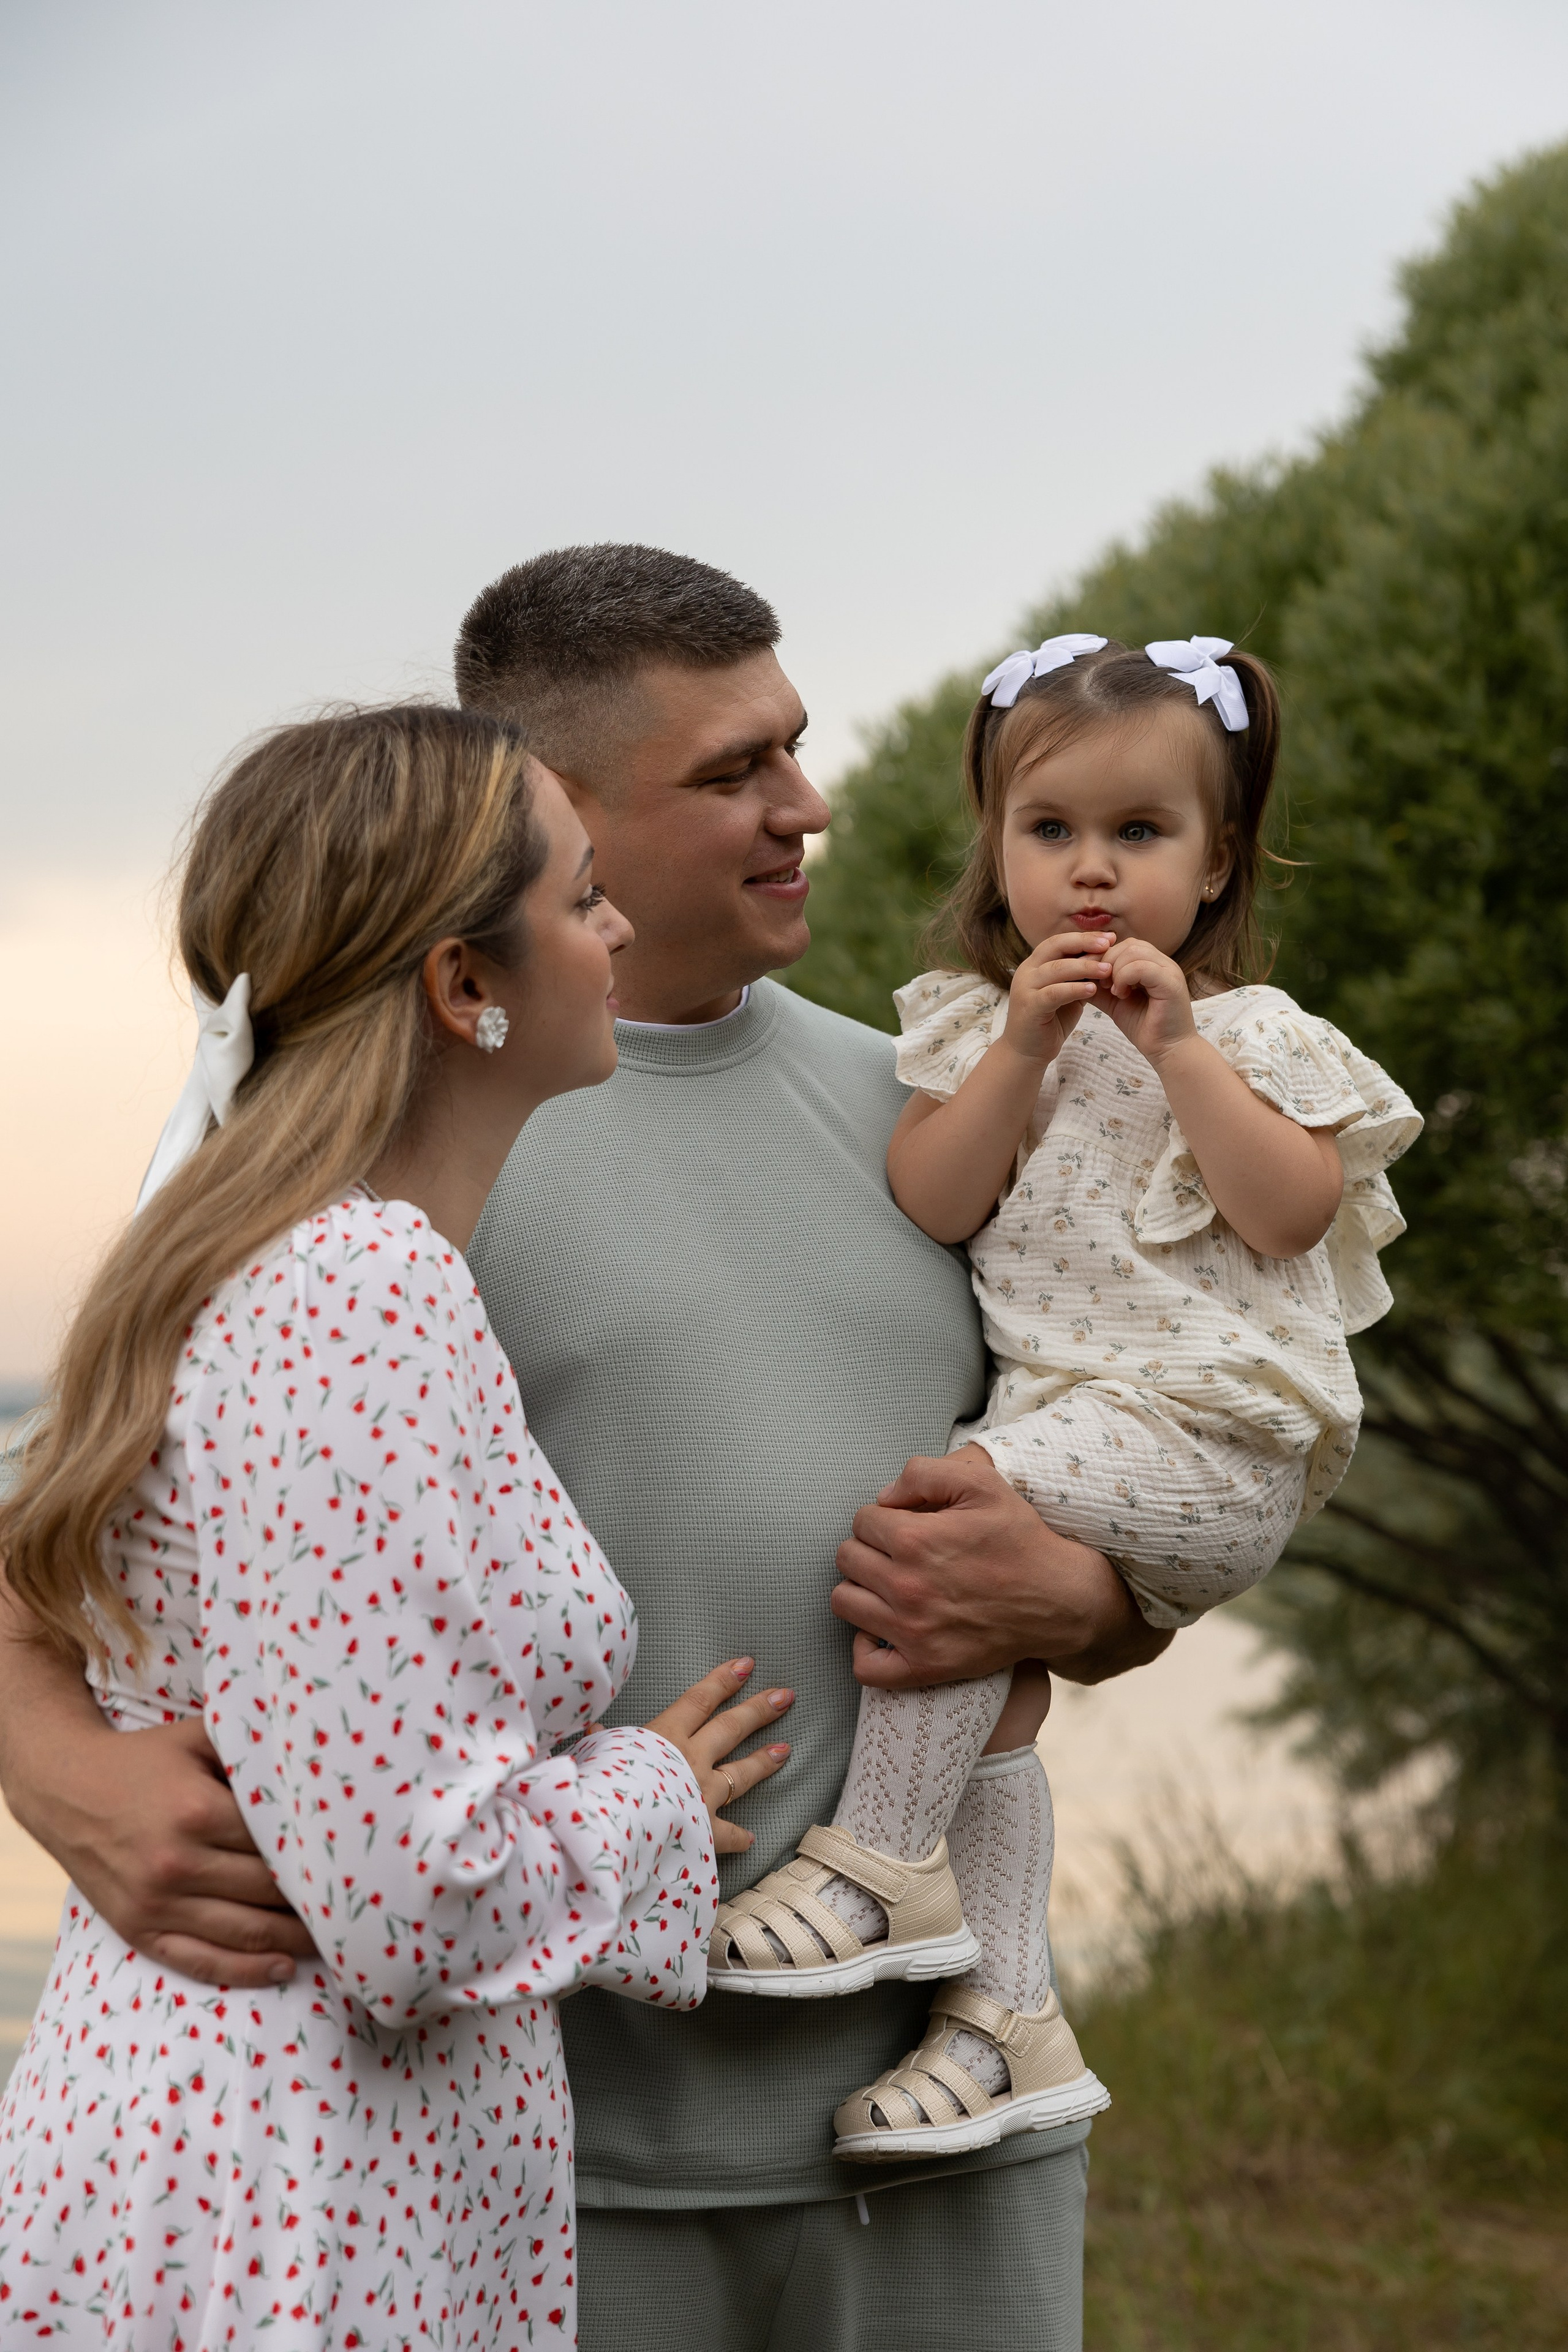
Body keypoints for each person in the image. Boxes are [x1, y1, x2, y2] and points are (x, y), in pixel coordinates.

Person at [0, 551, 1171, 2352]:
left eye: (797, 745)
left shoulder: (947, 1118)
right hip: (554, 2165)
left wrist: (1097, 1596)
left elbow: (1138, 1428)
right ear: (569, 824)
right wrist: (57, 1772)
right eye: (733, 773)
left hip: (944, 2124)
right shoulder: (354, 1168)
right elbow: (77, 1530)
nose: (811, 805)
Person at [0, 704, 801, 2346]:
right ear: (464, 986)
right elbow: (407, 1908)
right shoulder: (356, 1287)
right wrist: (649, 1790)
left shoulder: (269, 1263)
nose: (623, 927)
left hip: (254, 2143)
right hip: (292, 2195)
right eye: (585, 899)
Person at [708, 632, 1419, 2167]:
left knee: (948, 1523)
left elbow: (1286, 1212)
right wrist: (1024, 1045)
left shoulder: (1251, 1039)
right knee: (991, 1669)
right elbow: (936, 1197)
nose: (1089, 875)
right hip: (1074, 1429)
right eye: (1050, 833)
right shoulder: (977, 1031)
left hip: (1211, 1436)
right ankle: (1003, 2024)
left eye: (1139, 835)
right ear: (998, 848)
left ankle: (882, 1859)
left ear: (1217, 860)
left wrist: (1173, 1048)